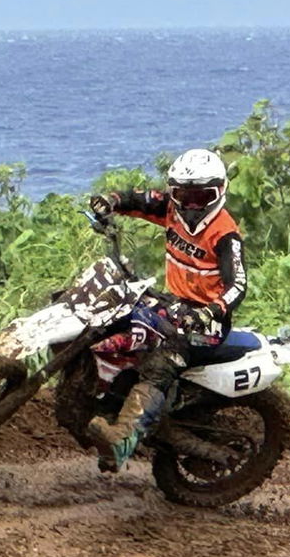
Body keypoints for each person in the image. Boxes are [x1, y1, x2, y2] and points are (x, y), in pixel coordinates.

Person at [86, 147, 247, 472]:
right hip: (173, 305)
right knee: (117, 318)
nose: (190, 205)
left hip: (206, 323)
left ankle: (121, 441)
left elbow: (238, 285)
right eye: (183, 195)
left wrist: (212, 311)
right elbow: (137, 199)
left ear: (219, 192)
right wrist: (110, 201)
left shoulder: (225, 234)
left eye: (200, 196)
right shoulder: (172, 210)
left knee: (161, 363)